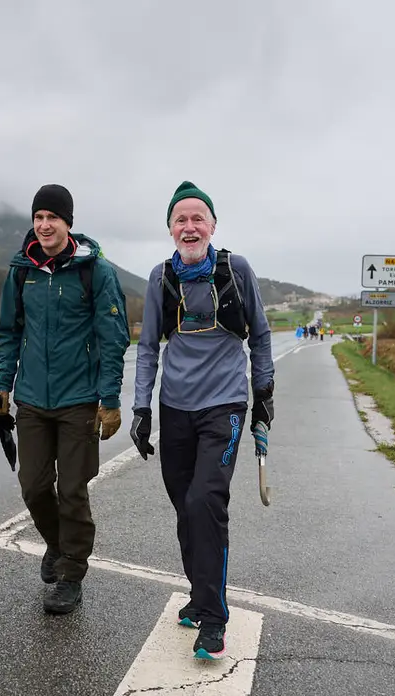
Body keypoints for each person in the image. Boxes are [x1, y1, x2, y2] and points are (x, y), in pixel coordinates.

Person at [129, 181, 275, 659]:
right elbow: (148, 347)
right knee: (184, 507)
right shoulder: (159, 278)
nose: (189, 226)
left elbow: (261, 334)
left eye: (198, 218)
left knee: (206, 502)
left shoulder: (237, 270)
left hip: (225, 406)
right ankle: (199, 594)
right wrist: (142, 409)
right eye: (180, 219)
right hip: (175, 410)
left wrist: (263, 398)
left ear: (212, 226)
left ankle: (214, 618)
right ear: (170, 229)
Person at [0, 183, 131, 615]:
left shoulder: (95, 271)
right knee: (33, 486)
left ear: (68, 223)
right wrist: (2, 387)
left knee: (71, 489)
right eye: (38, 218)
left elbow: (114, 338)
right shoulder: (22, 270)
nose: (45, 225)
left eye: (53, 217)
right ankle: (57, 545)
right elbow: (9, 332)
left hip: (79, 401)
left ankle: (71, 572)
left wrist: (109, 398)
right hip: (32, 400)